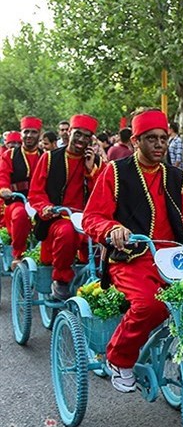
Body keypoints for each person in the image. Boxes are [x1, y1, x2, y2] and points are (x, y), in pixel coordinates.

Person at [82, 109, 183, 393]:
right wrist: (111, 230)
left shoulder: (176, 176)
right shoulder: (115, 171)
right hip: (132, 258)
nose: (159, 144)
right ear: (136, 141)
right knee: (150, 304)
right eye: (151, 139)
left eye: (162, 138)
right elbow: (92, 218)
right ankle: (119, 358)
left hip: (175, 257)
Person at [28, 114, 103, 300]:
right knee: (67, 232)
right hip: (57, 218)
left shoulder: (96, 163)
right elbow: (36, 193)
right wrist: (46, 207)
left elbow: (102, 195)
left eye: (87, 136)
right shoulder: (49, 158)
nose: (81, 140)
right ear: (69, 132)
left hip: (87, 219)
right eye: (78, 134)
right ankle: (60, 279)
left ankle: (100, 281)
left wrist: (90, 170)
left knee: (105, 238)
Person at [0, 116, 43, 268]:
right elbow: (2, 175)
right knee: (20, 215)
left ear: (39, 134)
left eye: (33, 132)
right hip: (17, 200)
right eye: (26, 132)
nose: (29, 135)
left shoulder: (46, 156)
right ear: (21, 133)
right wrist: (4, 189)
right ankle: (18, 254)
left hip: (41, 202)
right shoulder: (9, 155)